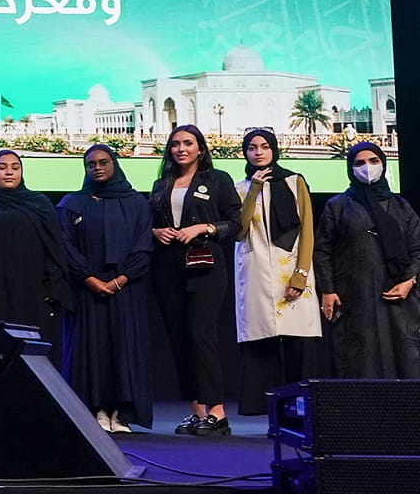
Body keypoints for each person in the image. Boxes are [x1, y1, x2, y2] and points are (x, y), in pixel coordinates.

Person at [148, 124, 241, 435]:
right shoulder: (162, 184)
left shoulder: (218, 180)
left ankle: (218, 413)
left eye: (188, 143)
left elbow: (236, 224)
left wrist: (203, 228)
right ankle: (197, 412)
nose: (181, 149)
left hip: (205, 267)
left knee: (201, 336)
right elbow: (149, 223)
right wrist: (155, 232)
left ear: (200, 148)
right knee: (179, 340)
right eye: (175, 144)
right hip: (167, 269)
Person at [58, 144, 154, 433]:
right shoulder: (72, 203)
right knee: (91, 349)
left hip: (126, 289)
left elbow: (143, 247)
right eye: (91, 164)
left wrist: (120, 280)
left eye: (103, 162)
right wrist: (88, 278)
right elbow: (65, 246)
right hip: (87, 290)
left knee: (123, 348)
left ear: (114, 164)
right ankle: (95, 410)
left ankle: (120, 413)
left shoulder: (137, 203)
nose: (97, 167)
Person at [233, 129, 319, 417]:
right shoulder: (240, 188)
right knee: (262, 343)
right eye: (252, 148)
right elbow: (239, 229)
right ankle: (268, 412)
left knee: (298, 343)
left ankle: (301, 412)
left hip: (292, 268)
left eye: (265, 146)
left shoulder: (294, 182)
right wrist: (255, 189)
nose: (258, 152)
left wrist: (301, 274)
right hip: (256, 271)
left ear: (274, 150)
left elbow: (307, 229)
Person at [315, 142, 420, 378]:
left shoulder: (401, 206)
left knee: (406, 359)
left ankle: (409, 414)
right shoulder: (337, 206)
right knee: (361, 360)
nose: (367, 168)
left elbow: (417, 247)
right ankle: (364, 412)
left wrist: (409, 281)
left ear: (383, 164)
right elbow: (322, 251)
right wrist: (328, 290)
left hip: (399, 296)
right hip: (354, 297)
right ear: (350, 169)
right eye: (359, 163)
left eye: (373, 162)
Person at [0, 150, 71, 361]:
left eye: (15, 168)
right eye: (2, 167)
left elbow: (54, 246)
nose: (9, 172)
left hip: (35, 293)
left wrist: (52, 288)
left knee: (35, 354)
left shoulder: (39, 203)